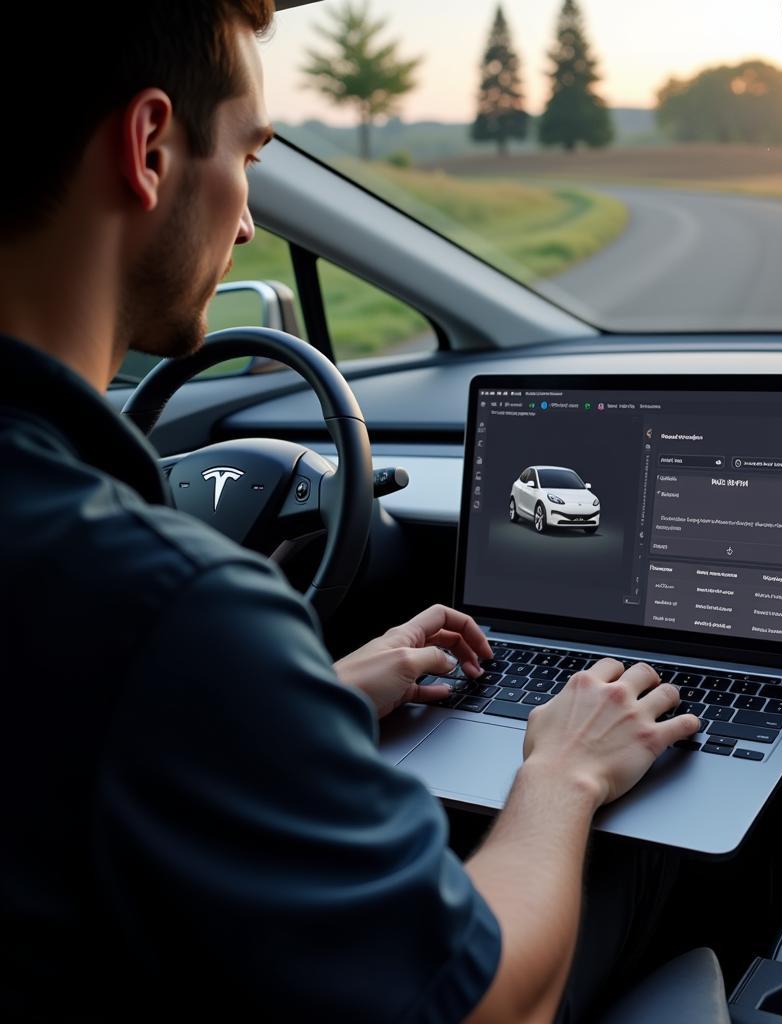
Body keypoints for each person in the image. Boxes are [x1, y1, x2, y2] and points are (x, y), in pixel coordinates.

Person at [0, 4, 702, 1021]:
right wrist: (562, 771)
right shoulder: (165, 608)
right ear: (149, 148)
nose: (245, 222)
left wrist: (294, 701)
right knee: (649, 854)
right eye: (248, 153)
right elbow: (487, 1007)